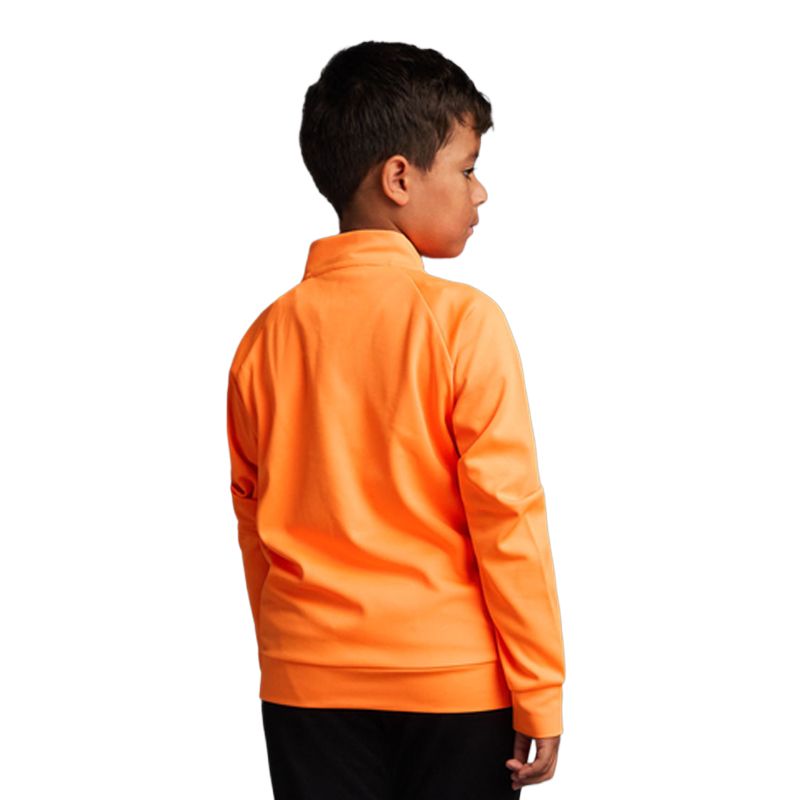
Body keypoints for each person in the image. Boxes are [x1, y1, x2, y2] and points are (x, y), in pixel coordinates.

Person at [226, 40, 566, 799]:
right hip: (454, 687)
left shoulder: (264, 337)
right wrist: (539, 687)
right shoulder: (463, 323)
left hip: (307, 684)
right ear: (400, 177)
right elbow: (506, 516)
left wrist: (293, 652)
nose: (481, 193)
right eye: (468, 169)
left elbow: (253, 522)